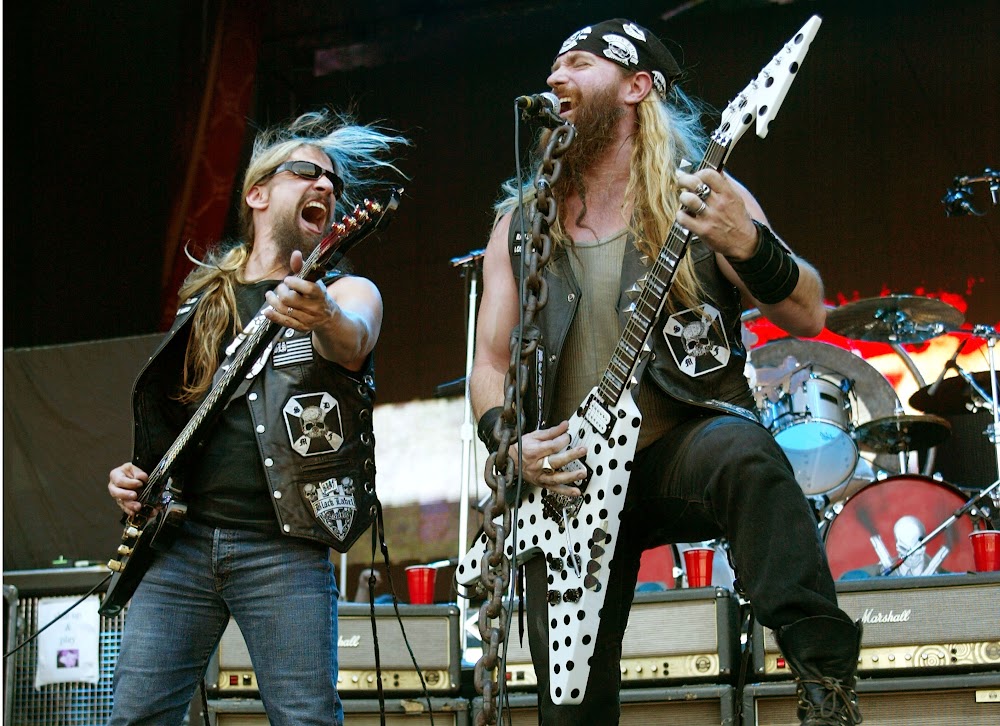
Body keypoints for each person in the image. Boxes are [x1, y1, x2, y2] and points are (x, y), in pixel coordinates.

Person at [472, 19, 862, 726]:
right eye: (553, 65)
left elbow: (808, 311)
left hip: (674, 452)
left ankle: (826, 686)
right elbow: (489, 365)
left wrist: (747, 242)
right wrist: (511, 444)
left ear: (636, 87)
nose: (555, 77)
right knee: (571, 710)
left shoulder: (703, 196)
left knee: (744, 455)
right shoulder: (521, 226)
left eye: (579, 63)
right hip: (569, 486)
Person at [106, 110, 408, 725]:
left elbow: (353, 339)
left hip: (283, 551)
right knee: (137, 717)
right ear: (257, 193)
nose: (325, 186)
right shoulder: (205, 299)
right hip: (180, 544)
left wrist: (325, 316)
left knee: (305, 719)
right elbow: (179, 415)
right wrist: (137, 477)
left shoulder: (345, 292)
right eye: (306, 172)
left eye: (333, 182)